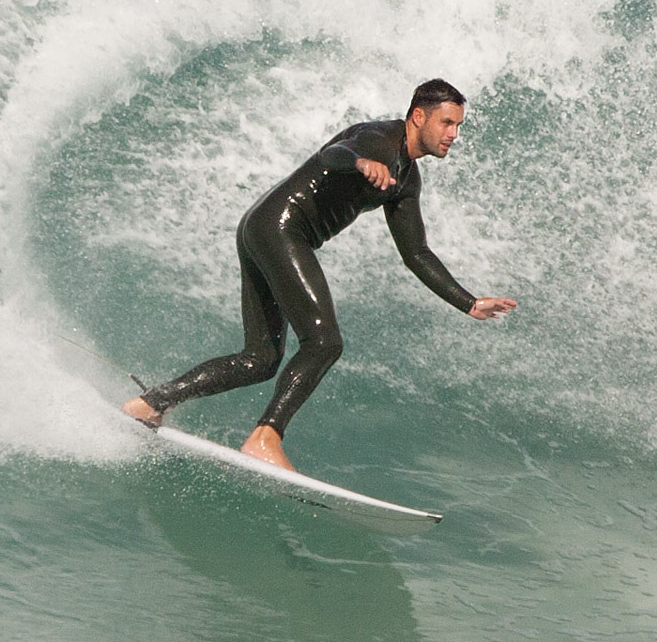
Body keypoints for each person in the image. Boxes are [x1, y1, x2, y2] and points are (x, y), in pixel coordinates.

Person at [121, 78, 517, 470]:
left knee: (260, 360)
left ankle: (150, 404)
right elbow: (333, 154)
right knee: (324, 343)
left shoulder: (406, 178)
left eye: (457, 125)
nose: (453, 135)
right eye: (447, 123)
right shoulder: (379, 140)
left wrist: (469, 303)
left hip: (263, 227)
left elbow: (416, 253)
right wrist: (360, 162)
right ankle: (264, 438)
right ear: (418, 117)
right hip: (281, 229)